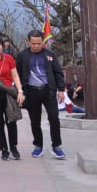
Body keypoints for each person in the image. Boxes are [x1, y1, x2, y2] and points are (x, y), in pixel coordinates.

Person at [16, 29, 67, 159]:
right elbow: (17, 74)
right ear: (28, 42)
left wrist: (61, 90)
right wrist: (20, 91)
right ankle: (38, 146)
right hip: (31, 91)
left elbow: (58, 72)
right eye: (34, 43)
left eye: (39, 43)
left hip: (48, 91)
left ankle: (56, 146)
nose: (36, 46)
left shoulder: (50, 54)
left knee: (54, 118)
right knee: (35, 121)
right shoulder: (22, 55)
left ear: (42, 42)